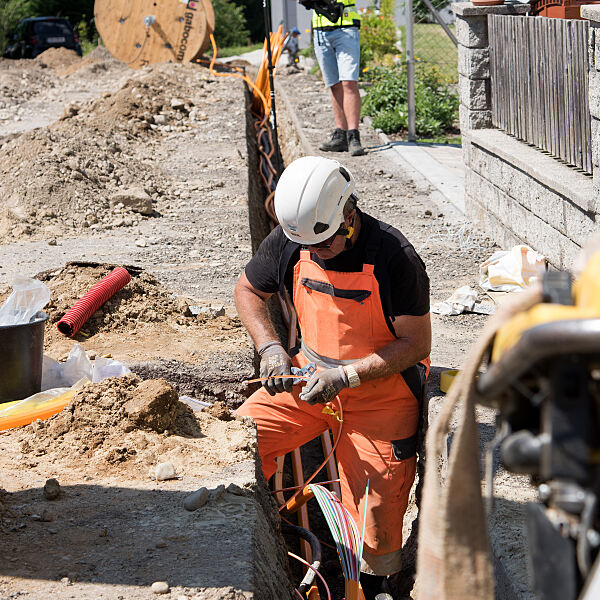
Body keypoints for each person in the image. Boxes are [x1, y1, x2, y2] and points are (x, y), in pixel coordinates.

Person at [234, 156, 431, 599]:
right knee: (241, 440)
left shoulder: (394, 256)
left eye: (325, 243)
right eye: (310, 246)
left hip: (382, 394)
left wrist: (347, 377)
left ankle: (375, 585)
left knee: (378, 512)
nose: (316, 253)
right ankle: (259, 527)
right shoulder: (293, 239)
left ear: (348, 214)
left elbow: (416, 344)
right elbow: (247, 289)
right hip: (306, 378)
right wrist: (270, 347)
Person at [300, 0, 366, 156]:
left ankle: (353, 136)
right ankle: (341, 135)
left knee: (349, 82)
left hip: (346, 27)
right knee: (334, 84)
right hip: (321, 31)